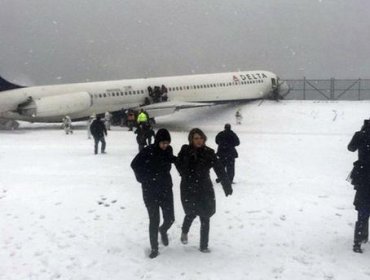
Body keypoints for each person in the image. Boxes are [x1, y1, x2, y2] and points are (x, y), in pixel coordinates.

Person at [175, 128, 233, 252]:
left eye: (201, 138)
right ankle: (185, 231)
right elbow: (178, 164)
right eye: (196, 138)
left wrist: (226, 184)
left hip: (204, 187)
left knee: (206, 215)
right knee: (191, 213)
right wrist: (185, 166)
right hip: (189, 187)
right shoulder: (185, 150)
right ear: (191, 139)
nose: (199, 141)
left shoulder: (209, 152)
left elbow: (219, 168)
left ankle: (204, 245)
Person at [131, 128, 176, 259]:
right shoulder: (147, 151)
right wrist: (143, 179)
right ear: (157, 142)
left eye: (167, 143)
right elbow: (134, 164)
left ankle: (163, 230)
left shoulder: (168, 150)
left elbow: (170, 158)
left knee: (170, 218)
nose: (165, 145)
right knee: (154, 219)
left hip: (166, 189)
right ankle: (154, 248)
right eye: (163, 143)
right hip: (150, 191)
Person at [348, 119, 370, 253]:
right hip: (364, 175)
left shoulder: (360, 135)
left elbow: (351, 148)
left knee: (363, 208)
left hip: (363, 176)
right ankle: (364, 236)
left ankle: (358, 241)